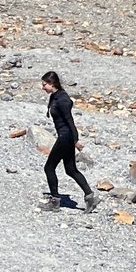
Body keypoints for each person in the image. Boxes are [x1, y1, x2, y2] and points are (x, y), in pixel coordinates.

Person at [40, 71, 96, 210]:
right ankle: (90, 197)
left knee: (49, 168)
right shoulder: (55, 96)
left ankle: (55, 202)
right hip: (65, 136)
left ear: (52, 83)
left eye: (44, 84)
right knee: (70, 169)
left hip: (66, 137)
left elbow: (70, 121)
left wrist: (76, 140)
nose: (43, 87)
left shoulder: (62, 99)